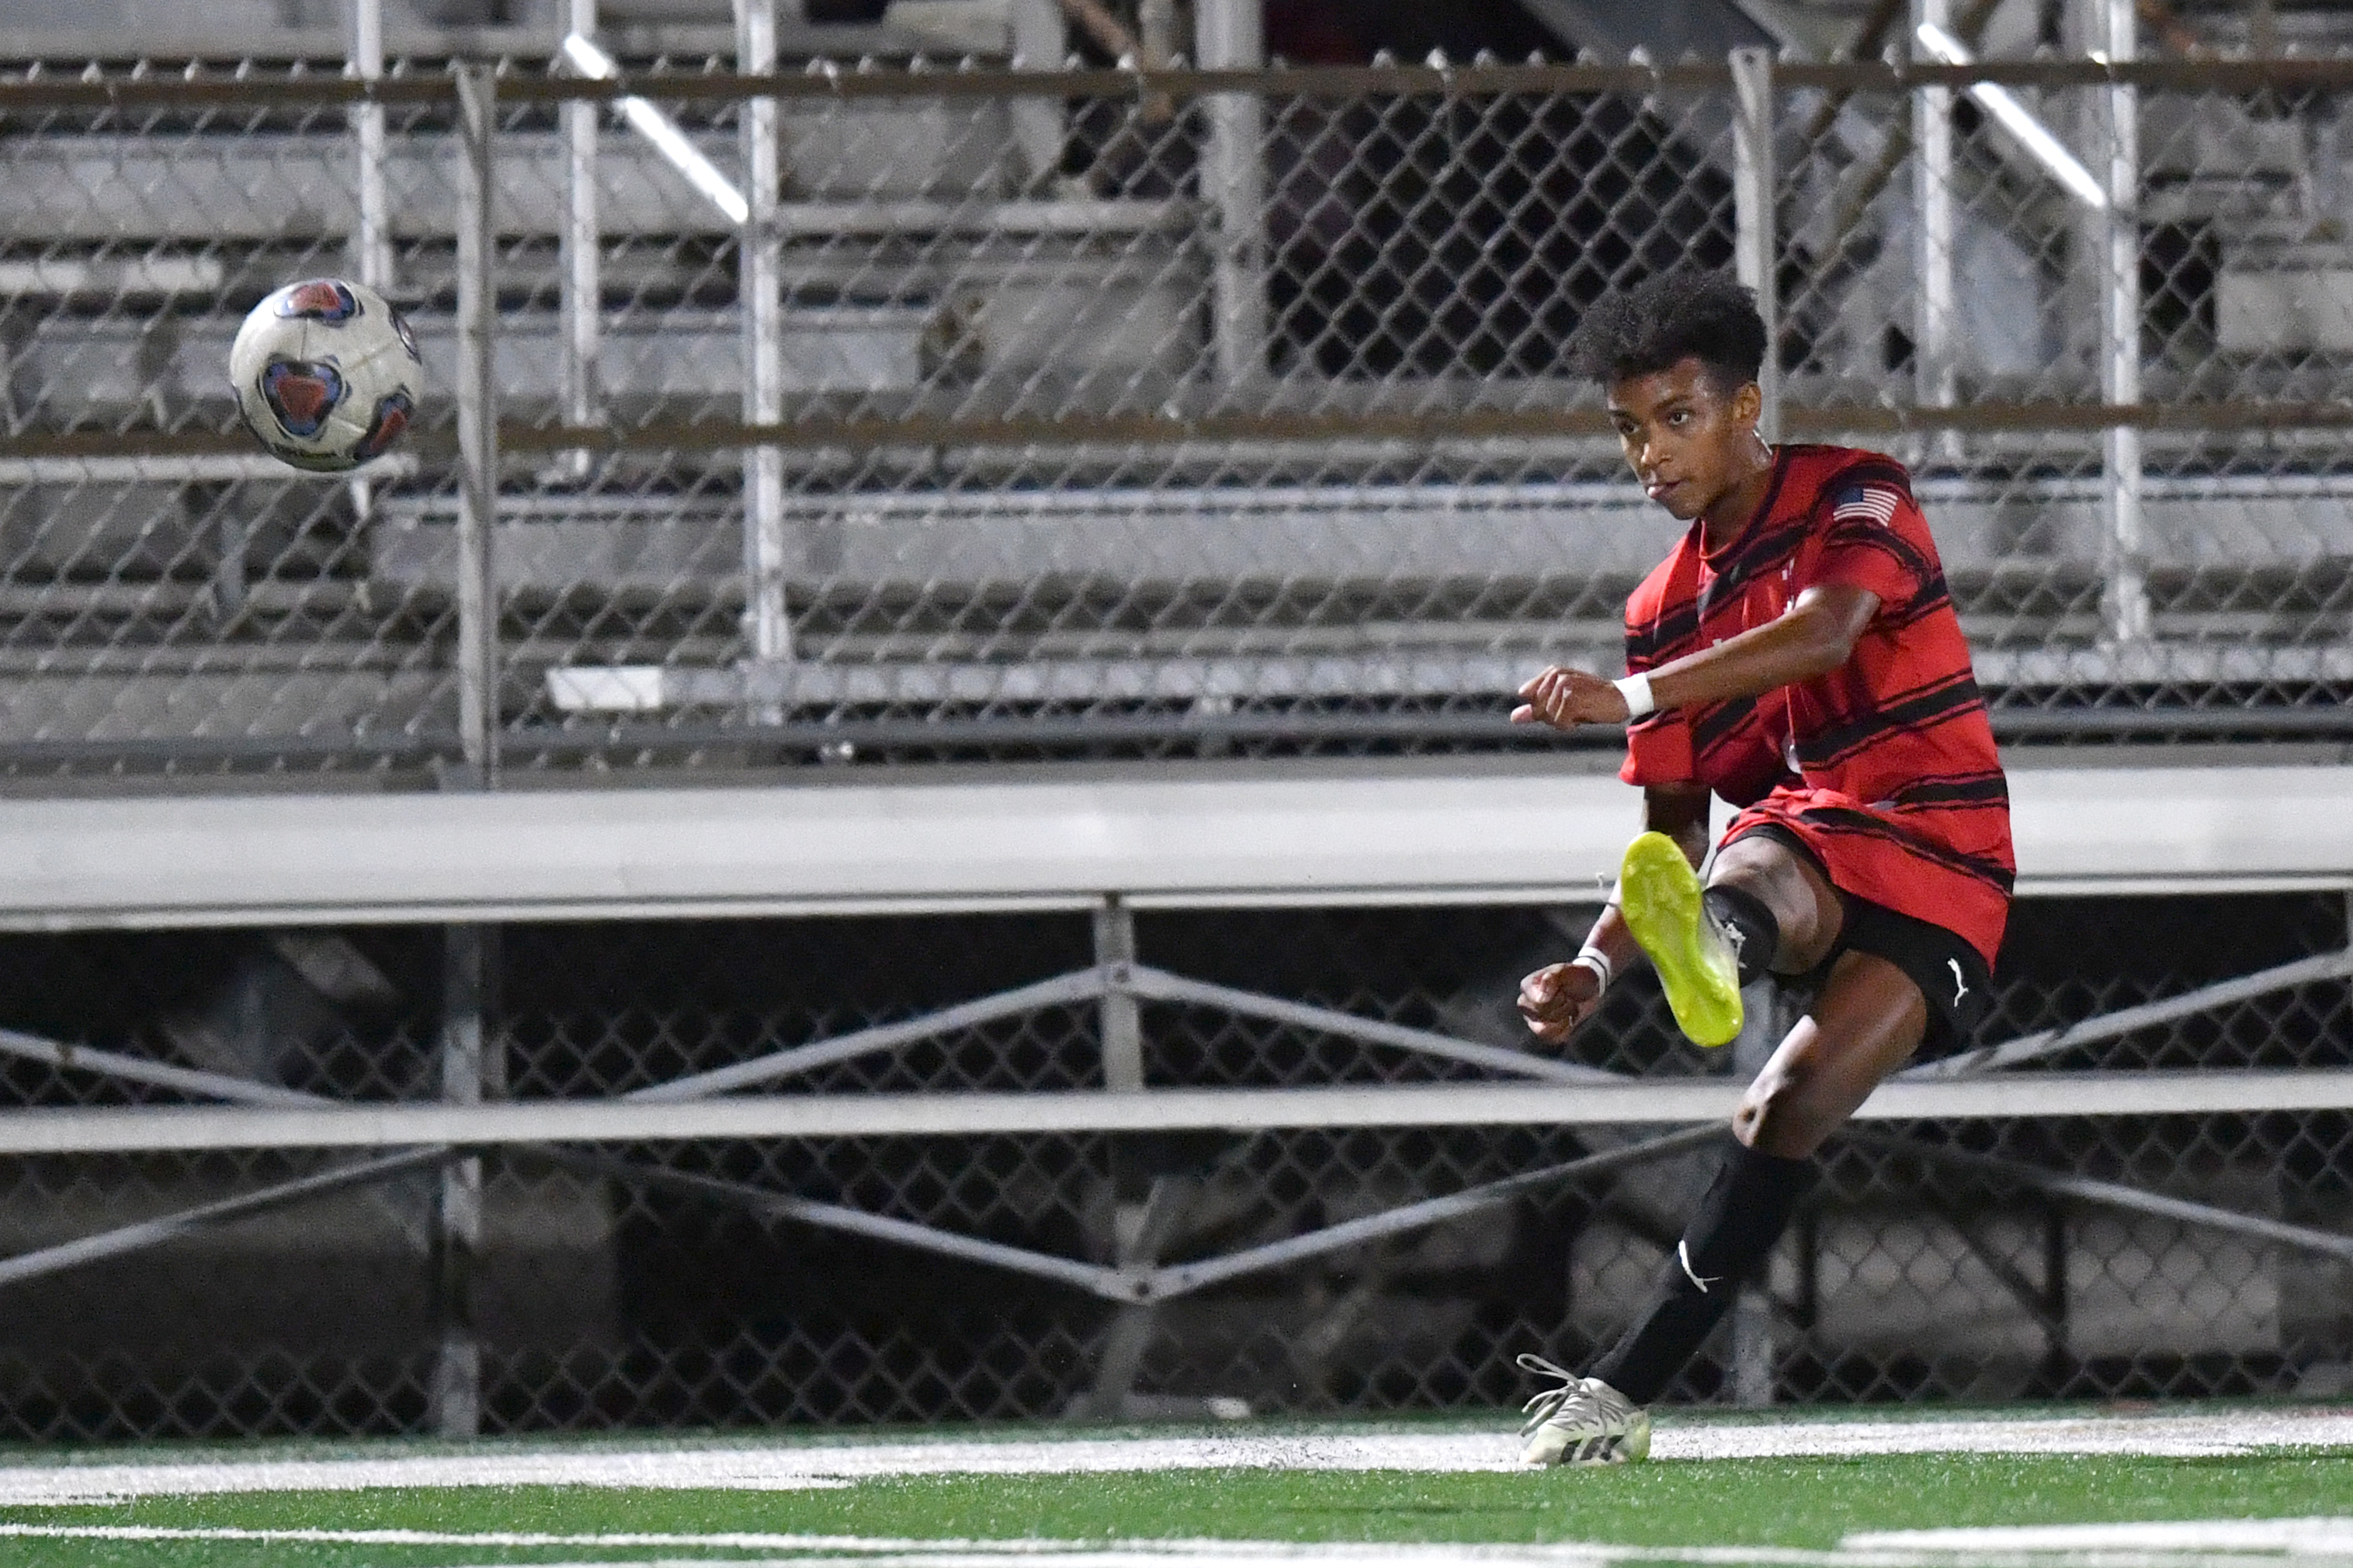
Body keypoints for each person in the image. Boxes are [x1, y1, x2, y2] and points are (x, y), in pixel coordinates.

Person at [1508, 270, 2014, 1466]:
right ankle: (1712, 951)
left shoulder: (1858, 490)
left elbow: (1829, 631)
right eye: (1631, 428)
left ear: (1746, 409)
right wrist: (1593, 962)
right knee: (1765, 859)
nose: (1651, 452)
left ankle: (1716, 954)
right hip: (1804, 836)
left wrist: (1625, 695)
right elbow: (1673, 837)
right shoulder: (1660, 607)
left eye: (1678, 418)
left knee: (1779, 1110)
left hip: (1944, 848)